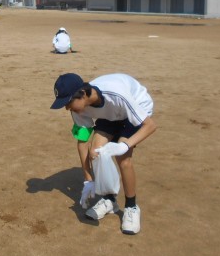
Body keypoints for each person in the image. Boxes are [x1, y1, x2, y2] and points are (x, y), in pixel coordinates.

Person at [50, 72, 157, 235]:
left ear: (83, 94)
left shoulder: (116, 94)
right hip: (109, 114)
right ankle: (109, 200)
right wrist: (88, 180)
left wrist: (125, 145)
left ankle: (131, 207)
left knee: (123, 158)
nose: (67, 108)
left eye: (68, 102)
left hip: (136, 106)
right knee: (96, 152)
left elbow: (150, 126)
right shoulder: (79, 109)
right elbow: (82, 142)